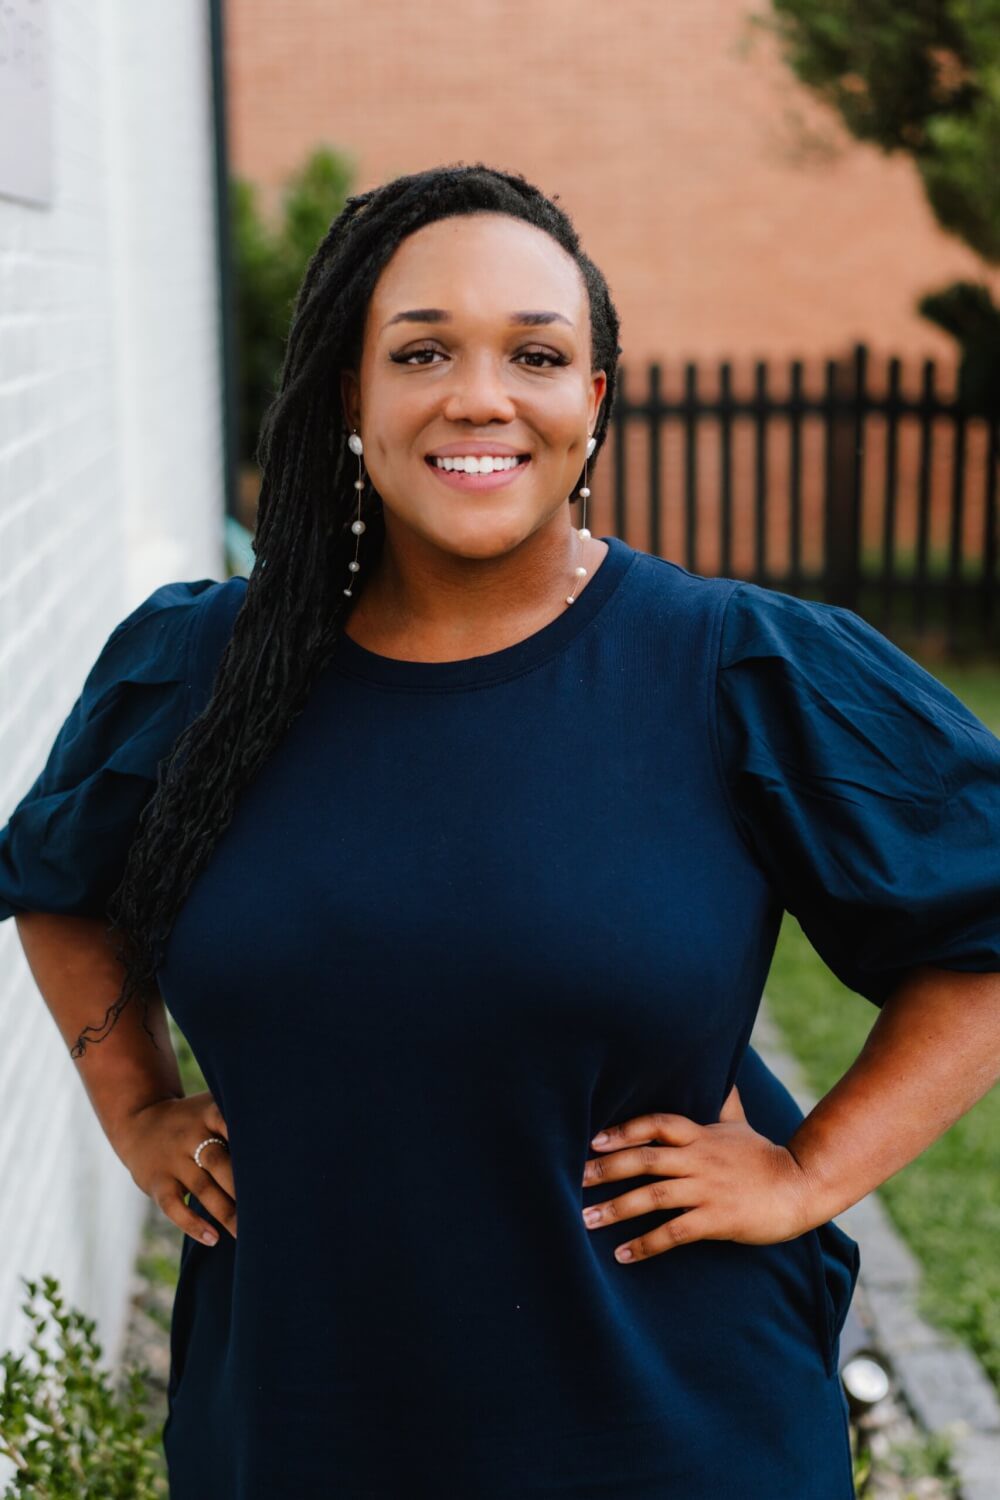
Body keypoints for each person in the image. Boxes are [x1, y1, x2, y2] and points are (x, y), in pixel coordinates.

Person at [0, 162, 997, 1500]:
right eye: (423, 351)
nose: (481, 396)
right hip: (295, 1433)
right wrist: (133, 1110)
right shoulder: (204, 670)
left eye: (536, 354)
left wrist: (809, 1172)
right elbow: (59, 882)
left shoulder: (729, 669)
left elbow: (982, 930)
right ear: (350, 396)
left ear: (594, 400)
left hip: (667, 1441)